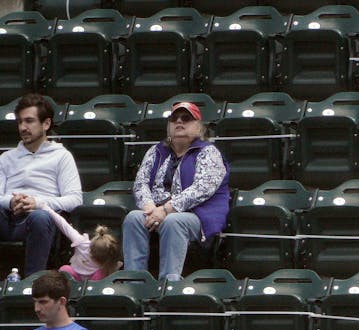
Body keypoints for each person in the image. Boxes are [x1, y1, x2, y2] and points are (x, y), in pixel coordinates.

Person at [123, 101, 230, 281]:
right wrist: (149, 206)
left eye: (186, 118)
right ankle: (134, 279)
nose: (179, 122)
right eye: (174, 119)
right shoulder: (156, 151)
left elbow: (202, 189)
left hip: (197, 215)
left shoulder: (208, 152)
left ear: (199, 127)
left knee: (173, 221)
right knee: (133, 218)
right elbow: (141, 183)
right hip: (156, 211)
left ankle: (169, 282)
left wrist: (165, 210)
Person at [0, 93, 82, 276]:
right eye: (20, 122)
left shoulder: (61, 156)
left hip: (40, 219)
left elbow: (75, 199)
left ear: (46, 124)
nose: (23, 127)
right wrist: (11, 202)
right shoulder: (6, 158)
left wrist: (38, 203)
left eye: (29, 121)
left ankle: (33, 282)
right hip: (8, 217)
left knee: (40, 216)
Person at [47, 214, 121, 282]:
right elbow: (64, 226)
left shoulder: (109, 259)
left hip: (94, 281)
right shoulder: (82, 243)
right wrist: (45, 207)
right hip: (76, 277)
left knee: (101, 273)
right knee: (65, 269)